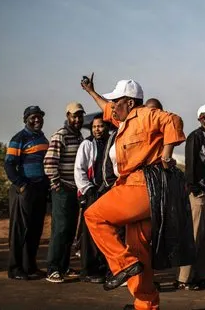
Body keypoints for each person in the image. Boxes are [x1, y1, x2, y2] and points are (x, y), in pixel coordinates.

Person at [81, 75, 185, 310]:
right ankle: (146, 304)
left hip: (141, 186)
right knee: (139, 250)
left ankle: (123, 264)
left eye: (116, 101)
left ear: (129, 102)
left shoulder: (145, 115)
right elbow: (105, 108)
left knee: (94, 216)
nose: (112, 106)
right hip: (141, 189)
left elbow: (173, 120)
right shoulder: (123, 121)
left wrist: (167, 155)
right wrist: (91, 92)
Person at [176, 103, 205, 291]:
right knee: (194, 235)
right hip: (199, 193)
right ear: (200, 119)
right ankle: (184, 279)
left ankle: (202, 276)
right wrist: (193, 188)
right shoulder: (195, 137)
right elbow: (190, 163)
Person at [5, 105, 50, 280]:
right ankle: (15, 268)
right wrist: (21, 185)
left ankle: (30, 266)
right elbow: (9, 164)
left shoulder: (42, 138)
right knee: (19, 230)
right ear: (26, 119)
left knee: (35, 229)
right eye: (33, 117)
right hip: (24, 189)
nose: (37, 119)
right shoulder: (19, 138)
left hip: (40, 189)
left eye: (39, 116)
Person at [44, 102, 85, 283]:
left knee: (69, 231)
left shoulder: (79, 137)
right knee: (60, 230)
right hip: (62, 190)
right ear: (67, 116)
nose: (77, 119)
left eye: (79, 116)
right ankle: (53, 269)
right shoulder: (61, 135)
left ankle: (64, 266)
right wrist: (57, 184)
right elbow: (50, 162)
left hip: (74, 190)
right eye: (74, 116)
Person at [74, 115, 111, 283]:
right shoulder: (87, 144)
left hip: (108, 193)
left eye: (101, 126)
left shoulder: (111, 144)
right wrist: (88, 190)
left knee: (107, 231)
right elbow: (79, 169)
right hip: (92, 192)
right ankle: (89, 270)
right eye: (95, 126)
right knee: (89, 232)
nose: (97, 129)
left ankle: (104, 268)